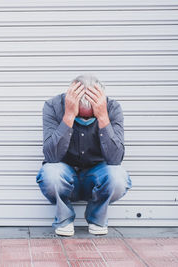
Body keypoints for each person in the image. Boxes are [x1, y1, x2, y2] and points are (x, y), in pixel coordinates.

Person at [36, 73, 132, 236]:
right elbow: (51, 156)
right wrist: (69, 116)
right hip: (66, 175)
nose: (85, 119)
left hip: (96, 177)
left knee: (119, 178)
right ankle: (64, 219)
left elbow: (115, 159)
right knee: (50, 174)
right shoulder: (53, 107)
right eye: (80, 115)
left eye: (90, 116)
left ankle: (96, 217)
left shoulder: (112, 108)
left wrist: (102, 117)